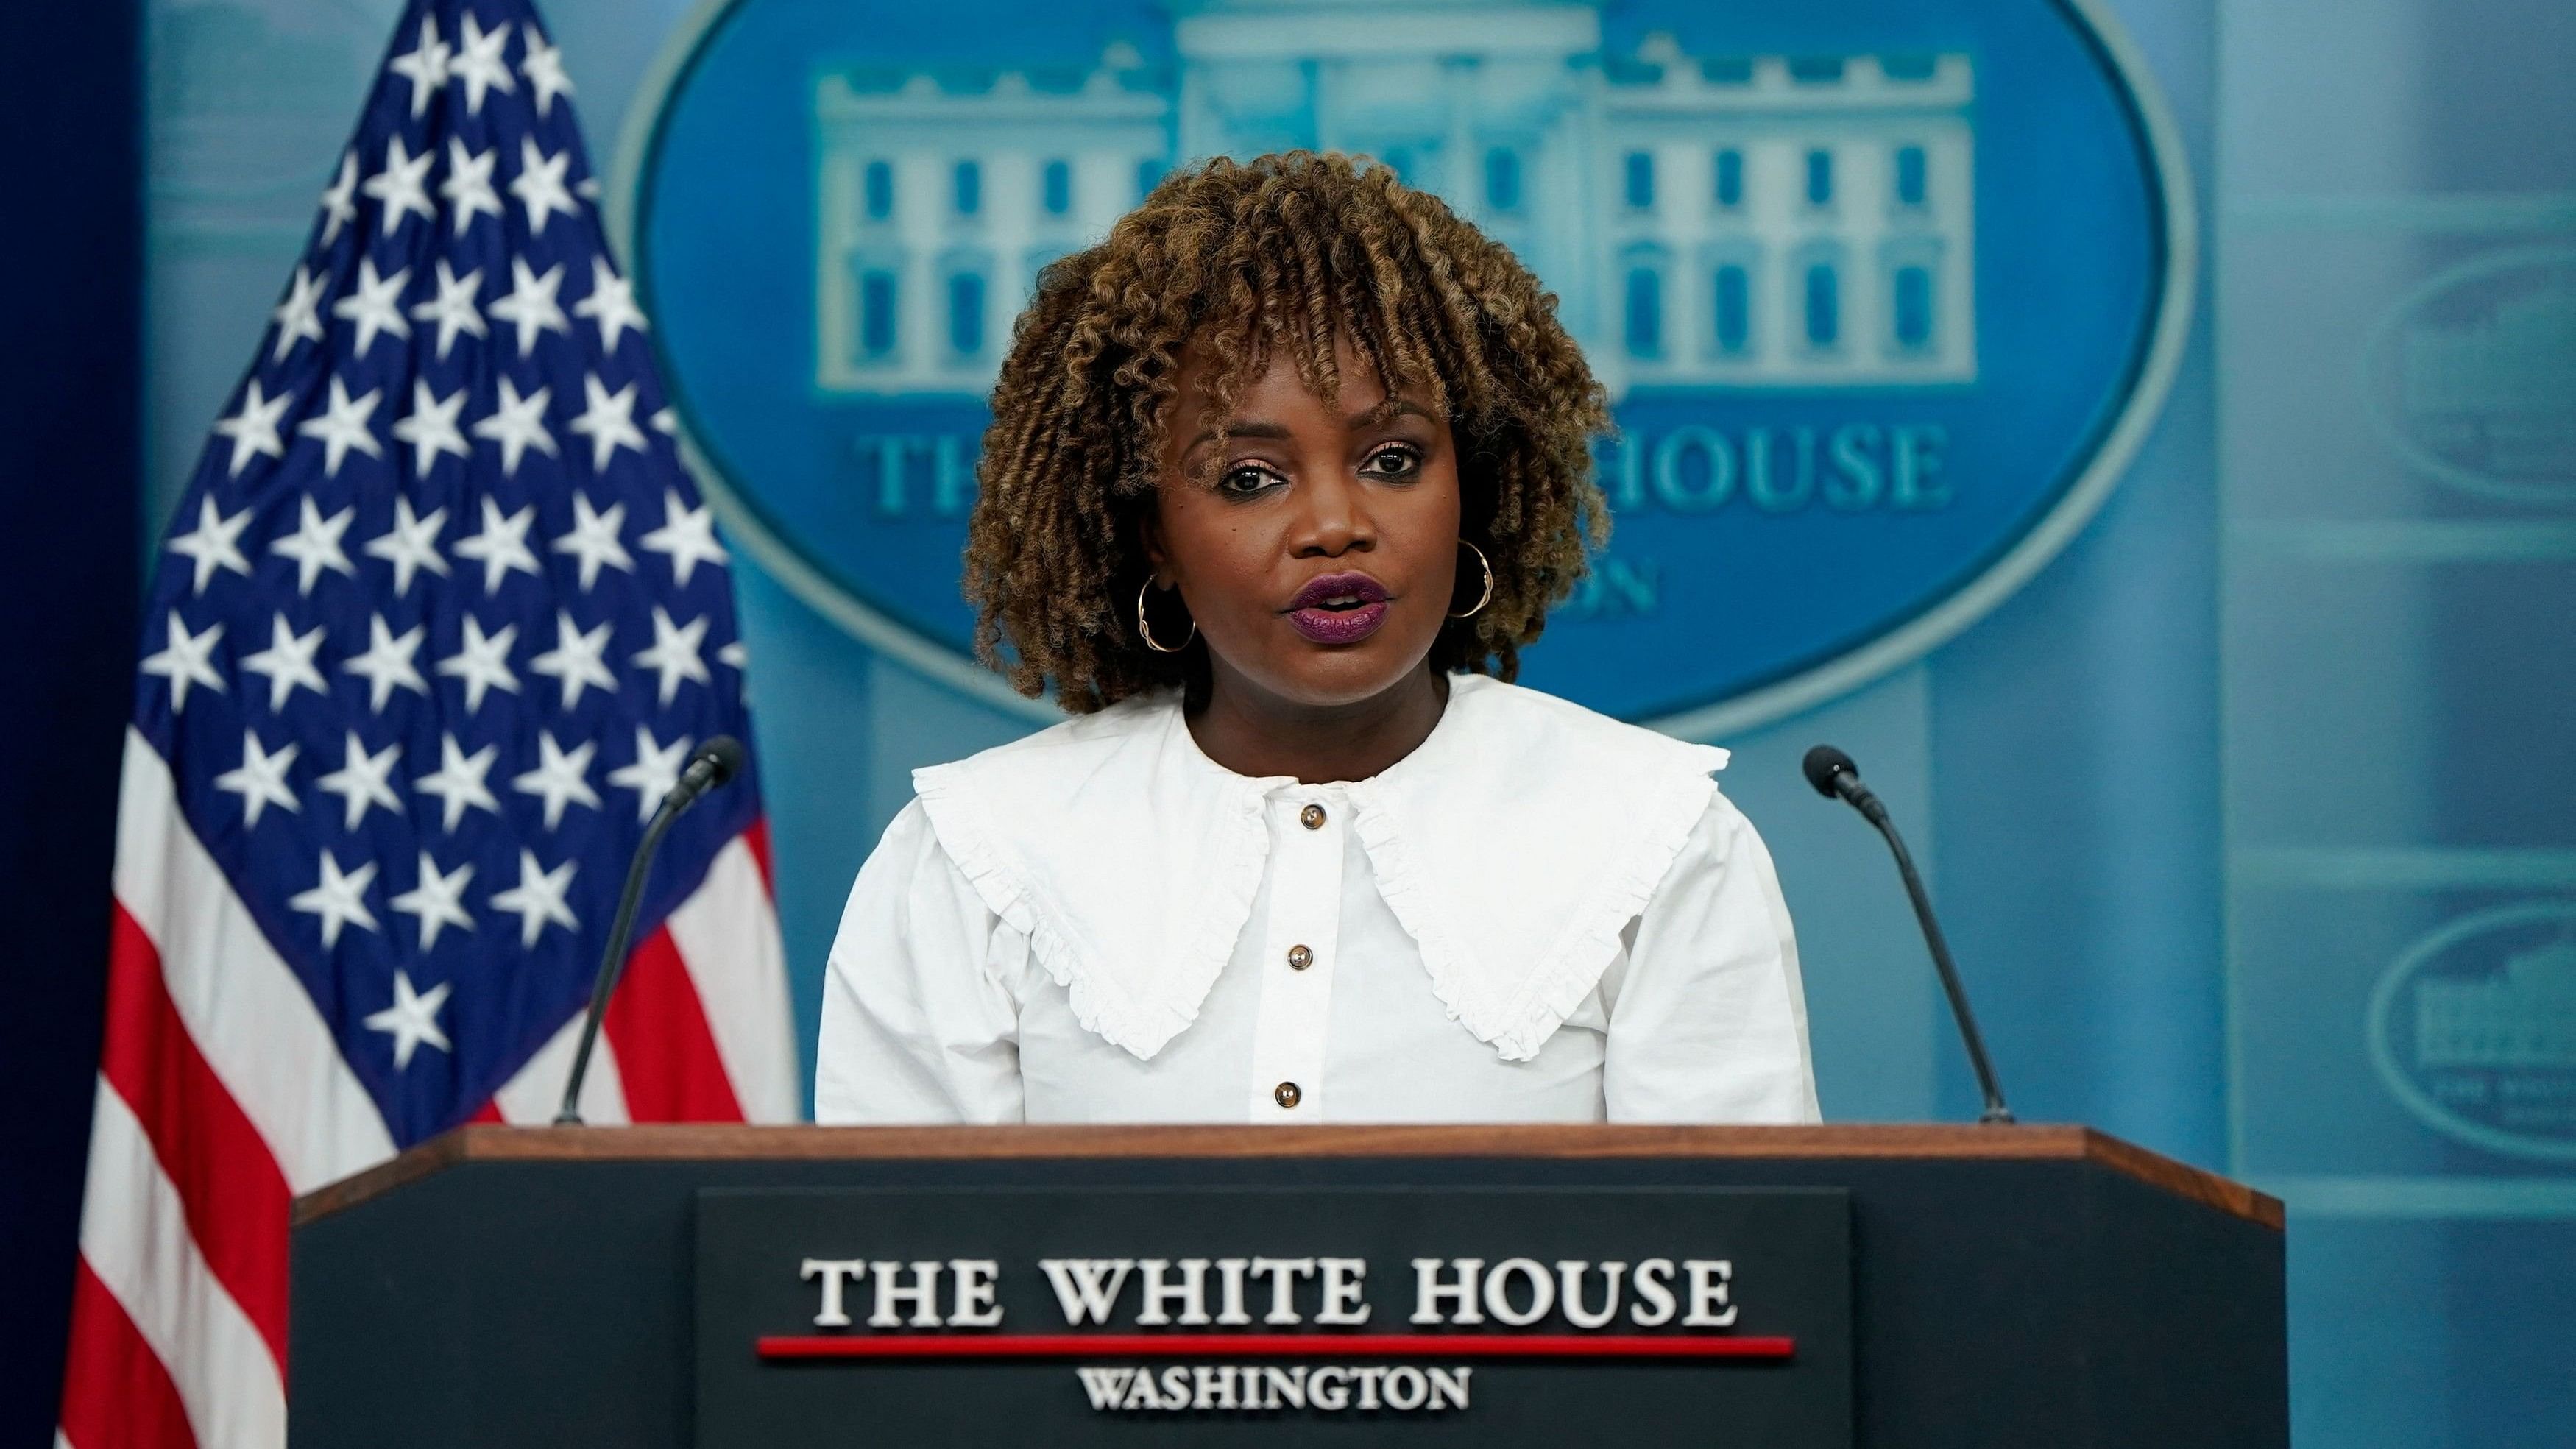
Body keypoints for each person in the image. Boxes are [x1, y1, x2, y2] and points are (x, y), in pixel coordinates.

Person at [814, 152, 1818, 1125]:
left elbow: (1744, 1272)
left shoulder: (1653, 840)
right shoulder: (980, 858)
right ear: (1154, 532)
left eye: (1394, 457)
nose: (1335, 521)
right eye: (1250, 476)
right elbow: (902, 1275)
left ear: (1471, 482)